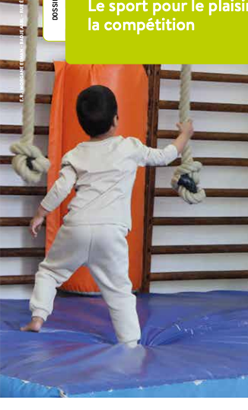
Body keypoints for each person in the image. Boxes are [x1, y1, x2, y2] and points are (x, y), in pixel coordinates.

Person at [21, 85, 194, 346]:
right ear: (116, 119)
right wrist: (184, 135)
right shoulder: (130, 147)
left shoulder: (75, 154)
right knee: (120, 292)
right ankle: (130, 342)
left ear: (82, 124)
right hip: (111, 231)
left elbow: (60, 189)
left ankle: (38, 317)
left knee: (49, 272)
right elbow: (165, 156)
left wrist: (40, 214)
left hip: (76, 227)